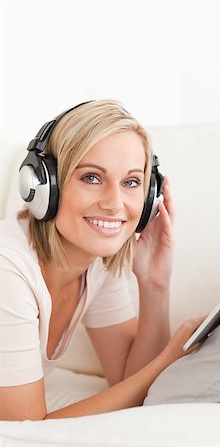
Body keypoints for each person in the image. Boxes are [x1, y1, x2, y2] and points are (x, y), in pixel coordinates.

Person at [0, 100, 204, 421]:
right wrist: (165, 363)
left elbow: (125, 379)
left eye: (131, 182)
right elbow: (24, 430)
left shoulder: (93, 260)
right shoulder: (7, 268)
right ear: (42, 186)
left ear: (150, 198)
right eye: (92, 178)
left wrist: (154, 284)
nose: (114, 203)